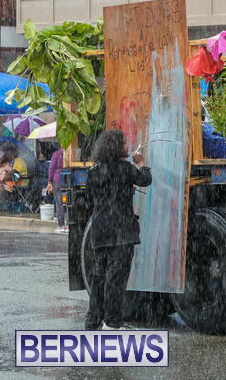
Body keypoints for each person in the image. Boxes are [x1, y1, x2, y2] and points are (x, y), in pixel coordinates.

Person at [84, 130, 152, 330]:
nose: (127, 144)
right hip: (121, 231)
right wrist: (141, 163)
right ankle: (112, 322)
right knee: (116, 278)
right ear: (116, 147)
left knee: (99, 277)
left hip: (100, 230)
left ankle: (93, 321)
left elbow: (89, 200)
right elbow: (145, 180)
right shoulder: (126, 169)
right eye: (124, 142)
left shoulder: (93, 172)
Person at [0, 144, 28, 209]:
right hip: (6, 182)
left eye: (10, 153)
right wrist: (0, 161)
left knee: (0, 187)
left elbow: (11, 174)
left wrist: (1, 181)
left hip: (17, 182)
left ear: (14, 153)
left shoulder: (18, 161)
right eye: (7, 153)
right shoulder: (6, 163)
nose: (8, 155)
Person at [46, 145, 66, 233]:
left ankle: (61, 225)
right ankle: (69, 225)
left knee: (59, 203)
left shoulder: (56, 154)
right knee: (68, 204)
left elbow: (51, 168)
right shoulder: (70, 155)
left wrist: (49, 181)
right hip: (67, 178)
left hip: (57, 179)